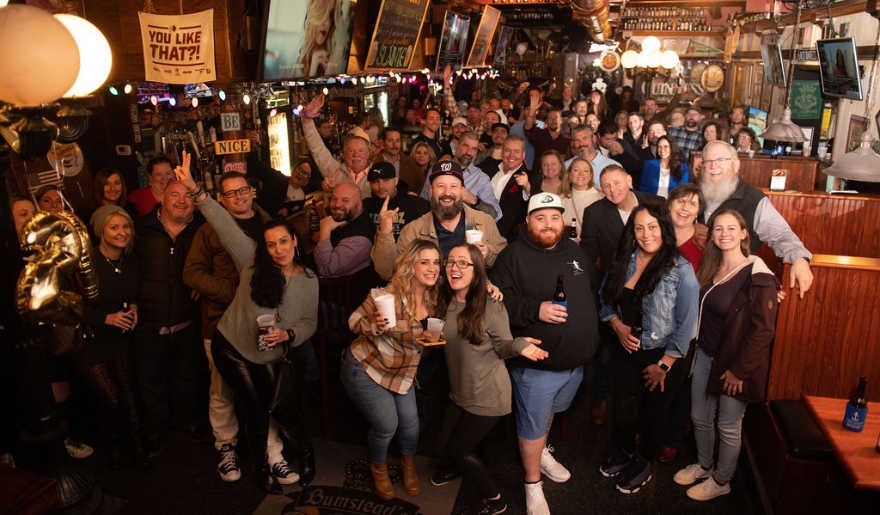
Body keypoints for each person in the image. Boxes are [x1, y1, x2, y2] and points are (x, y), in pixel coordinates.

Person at [175, 152, 319, 494]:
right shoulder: (252, 262)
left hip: (269, 349)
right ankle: (261, 465)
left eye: (284, 241)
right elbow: (222, 224)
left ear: (294, 241)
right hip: (231, 345)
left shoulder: (309, 278)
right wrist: (196, 190)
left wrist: (290, 334)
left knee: (277, 407)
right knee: (253, 407)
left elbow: (311, 322)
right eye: (271, 244)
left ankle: (302, 452)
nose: (278, 249)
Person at [491, 192, 599, 515]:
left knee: (548, 416)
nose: (549, 224)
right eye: (541, 218)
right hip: (537, 366)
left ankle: (542, 454)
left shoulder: (574, 251)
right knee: (531, 425)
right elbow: (497, 304)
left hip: (574, 364)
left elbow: (587, 292)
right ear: (528, 223)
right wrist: (535, 309)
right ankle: (532, 484)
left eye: (555, 217)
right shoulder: (512, 256)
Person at [431, 243, 548, 515]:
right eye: (450, 262)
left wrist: (519, 345)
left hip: (488, 395)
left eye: (463, 263)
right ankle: (457, 467)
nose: (454, 267)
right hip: (459, 391)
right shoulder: (444, 297)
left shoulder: (491, 306)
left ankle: (496, 498)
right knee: (440, 449)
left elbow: (503, 346)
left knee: (459, 451)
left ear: (477, 270)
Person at [674, 209, 779, 501]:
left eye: (731, 228)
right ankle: (706, 466)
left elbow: (763, 331)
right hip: (706, 356)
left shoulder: (758, 276)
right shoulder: (712, 267)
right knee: (699, 417)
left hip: (735, 364)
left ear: (744, 233)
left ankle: (722, 480)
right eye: (718, 229)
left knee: (729, 425)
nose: (724, 234)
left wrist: (739, 371)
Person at [597, 203, 699, 494]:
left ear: (663, 229)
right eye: (639, 227)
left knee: (655, 414)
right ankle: (627, 451)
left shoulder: (680, 269)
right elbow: (605, 301)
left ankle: (643, 464)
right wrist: (616, 325)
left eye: (652, 226)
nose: (646, 233)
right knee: (624, 411)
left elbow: (687, 325)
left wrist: (664, 365)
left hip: (665, 354)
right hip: (627, 350)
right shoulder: (623, 260)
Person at [342, 239, 442, 500]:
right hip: (366, 369)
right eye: (425, 262)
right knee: (387, 426)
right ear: (411, 266)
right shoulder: (389, 294)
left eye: (436, 262)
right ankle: (379, 469)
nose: (433, 268)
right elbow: (353, 321)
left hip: (401, 370)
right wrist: (373, 323)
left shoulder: (434, 297)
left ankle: (408, 468)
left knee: (411, 425)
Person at [581, 165, 664, 426]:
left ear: (629, 178)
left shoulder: (656, 203)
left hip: (654, 288)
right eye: (605, 186)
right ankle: (601, 398)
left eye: (616, 183)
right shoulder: (594, 212)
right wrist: (573, 276)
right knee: (606, 352)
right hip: (614, 291)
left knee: (649, 348)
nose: (612, 190)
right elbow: (587, 255)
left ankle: (645, 406)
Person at [132, 179, 206, 457]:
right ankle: (154, 430)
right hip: (147, 323)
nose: (182, 200)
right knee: (150, 383)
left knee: (186, 379)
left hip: (187, 320)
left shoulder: (203, 231)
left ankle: (185, 422)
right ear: (161, 198)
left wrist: (204, 281)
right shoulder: (139, 230)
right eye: (175, 194)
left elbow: (219, 264)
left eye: (188, 196)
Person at [73, 205, 148, 469]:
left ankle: (137, 449)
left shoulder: (129, 258)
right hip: (91, 340)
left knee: (128, 392)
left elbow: (132, 294)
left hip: (119, 336)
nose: (122, 232)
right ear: (101, 230)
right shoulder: (87, 262)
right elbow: (71, 306)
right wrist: (107, 318)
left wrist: (135, 307)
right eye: (114, 227)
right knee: (112, 397)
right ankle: (114, 442)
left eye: (126, 226)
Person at [699, 141, 813, 297]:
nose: (714, 166)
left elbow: (781, 236)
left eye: (720, 160)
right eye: (708, 161)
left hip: (734, 289)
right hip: (698, 282)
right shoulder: (695, 194)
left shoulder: (754, 200)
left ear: (736, 164)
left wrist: (800, 259)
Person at [372, 160, 506, 280]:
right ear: (431, 190)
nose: (447, 193)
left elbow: (504, 258)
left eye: (453, 186)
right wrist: (385, 232)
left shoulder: (484, 221)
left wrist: (488, 252)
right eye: (440, 186)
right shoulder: (413, 230)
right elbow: (388, 272)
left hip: (471, 300)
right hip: (429, 302)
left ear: (462, 190)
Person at [657, 184, 707, 463]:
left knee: (679, 388)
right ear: (669, 203)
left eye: (692, 204)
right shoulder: (655, 235)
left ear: (699, 212)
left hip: (687, 327)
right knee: (650, 381)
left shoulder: (705, 245)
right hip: (653, 324)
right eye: (680, 201)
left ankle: (671, 438)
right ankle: (644, 428)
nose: (685, 208)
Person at [301, 94, 372, 197]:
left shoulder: (377, 175)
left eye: (361, 150)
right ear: (344, 153)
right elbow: (317, 149)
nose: (356, 155)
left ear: (368, 153)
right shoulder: (335, 172)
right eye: (351, 150)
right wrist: (307, 121)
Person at [420, 131, 502, 222]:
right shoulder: (437, 169)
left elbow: (495, 214)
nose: (469, 152)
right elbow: (423, 203)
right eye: (465, 146)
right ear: (457, 145)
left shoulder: (481, 178)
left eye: (474, 149)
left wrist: (475, 200)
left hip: (466, 230)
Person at [314, 181, 374, 277]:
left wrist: (324, 230)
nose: (337, 204)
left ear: (358, 205)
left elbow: (325, 269)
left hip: (334, 288)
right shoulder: (350, 215)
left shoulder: (359, 241)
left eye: (345, 200)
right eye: (334, 199)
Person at [485, 136, 536, 241]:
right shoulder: (488, 165)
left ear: (523, 155)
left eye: (516, 151)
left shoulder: (532, 177)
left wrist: (527, 186)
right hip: (479, 231)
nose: (511, 155)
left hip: (508, 239)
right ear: (502, 152)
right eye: (507, 150)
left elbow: (535, 198)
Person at [363, 162, 430, 240]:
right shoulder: (365, 206)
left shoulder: (416, 204)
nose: (380, 186)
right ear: (370, 184)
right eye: (375, 181)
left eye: (386, 180)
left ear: (396, 181)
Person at [77, 167, 133, 241]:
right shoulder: (86, 214)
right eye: (106, 184)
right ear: (99, 186)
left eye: (117, 183)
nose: (113, 188)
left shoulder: (130, 209)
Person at [559, 158, 604, 242]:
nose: (581, 174)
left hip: (587, 248)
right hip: (564, 247)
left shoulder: (599, 199)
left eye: (586, 171)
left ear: (590, 176)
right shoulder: (560, 198)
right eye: (576, 170)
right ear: (569, 175)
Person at [296, 0, 339, 77]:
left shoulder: (330, 64)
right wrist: (312, 72)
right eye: (322, 13)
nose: (326, 23)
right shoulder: (294, 67)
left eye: (330, 15)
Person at [373, 128, 421, 194]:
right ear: (382, 142)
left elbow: (421, 185)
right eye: (390, 141)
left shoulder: (411, 162)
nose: (395, 145)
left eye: (397, 141)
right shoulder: (375, 165)